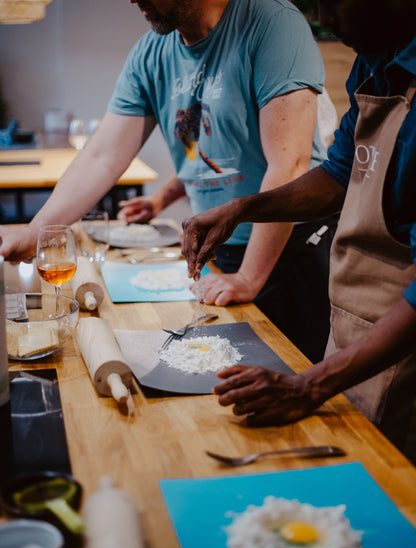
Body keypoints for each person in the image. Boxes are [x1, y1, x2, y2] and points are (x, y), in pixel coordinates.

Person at [0, 0, 337, 364]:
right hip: (218, 250)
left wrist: (248, 277)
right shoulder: (151, 52)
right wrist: (37, 232)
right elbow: (102, 156)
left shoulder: (273, 23)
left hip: (290, 248)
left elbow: (290, 164)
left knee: (296, 382)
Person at [181, 0, 416, 460]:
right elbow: (336, 178)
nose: (323, 20)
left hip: (402, 351)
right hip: (352, 337)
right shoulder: (374, 65)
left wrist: (309, 384)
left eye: (331, 3)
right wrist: (243, 208)